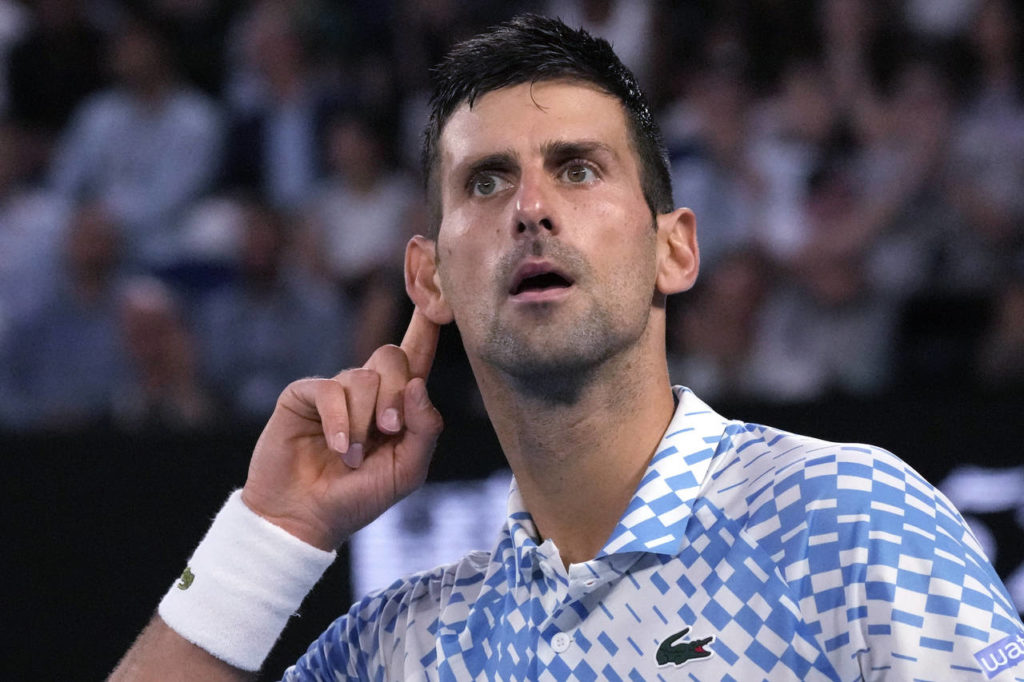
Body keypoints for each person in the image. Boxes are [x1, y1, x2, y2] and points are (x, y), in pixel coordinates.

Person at [109, 14, 1024, 681]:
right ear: (429, 278)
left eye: (578, 169)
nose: (531, 208)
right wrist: (271, 531)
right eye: (486, 181)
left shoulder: (845, 521)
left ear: (675, 249)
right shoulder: (403, 651)